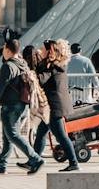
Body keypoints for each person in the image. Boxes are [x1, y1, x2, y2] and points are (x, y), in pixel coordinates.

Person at [0, 38, 45, 174]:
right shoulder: (22, 63)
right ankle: (1, 165)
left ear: (7, 49)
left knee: (12, 135)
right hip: (23, 105)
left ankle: (35, 158)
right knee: (8, 137)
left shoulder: (8, 66)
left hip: (11, 105)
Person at [31, 40, 80, 172]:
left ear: (49, 51)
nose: (40, 50)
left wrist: (34, 67)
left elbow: (41, 80)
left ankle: (74, 163)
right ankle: (34, 160)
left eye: (42, 49)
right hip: (54, 105)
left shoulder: (53, 66)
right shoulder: (55, 65)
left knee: (61, 136)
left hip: (55, 107)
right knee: (41, 133)